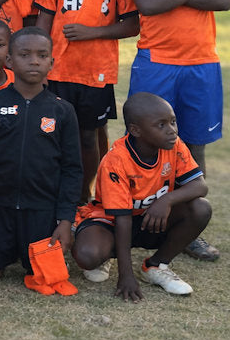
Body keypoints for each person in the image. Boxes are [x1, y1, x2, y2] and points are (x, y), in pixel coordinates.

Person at [122, 0, 229, 262]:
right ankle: (131, 221)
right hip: (157, 64)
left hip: (201, 64)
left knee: (194, 144)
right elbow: (148, 5)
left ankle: (188, 227)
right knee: (144, 143)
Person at [34, 0, 139, 203]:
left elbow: (131, 26)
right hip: (58, 70)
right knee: (50, 135)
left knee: (87, 137)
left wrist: (92, 32)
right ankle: (51, 196)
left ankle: (83, 196)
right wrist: (39, 64)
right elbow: (44, 20)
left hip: (96, 71)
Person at [0, 27, 82, 282]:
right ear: (9, 61)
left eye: (42, 56)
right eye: (24, 54)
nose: (34, 61)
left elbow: (72, 169)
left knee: (39, 273)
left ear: (51, 63)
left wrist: (65, 219)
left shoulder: (63, 111)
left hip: (41, 210)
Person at [72, 93, 212, 299]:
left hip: (151, 217)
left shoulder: (174, 144)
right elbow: (122, 218)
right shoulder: (116, 160)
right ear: (136, 130)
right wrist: (126, 275)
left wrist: (166, 200)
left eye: (173, 122)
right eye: (161, 125)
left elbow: (199, 186)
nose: (172, 130)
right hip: (112, 221)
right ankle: (108, 255)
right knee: (87, 255)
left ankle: (155, 266)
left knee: (201, 208)